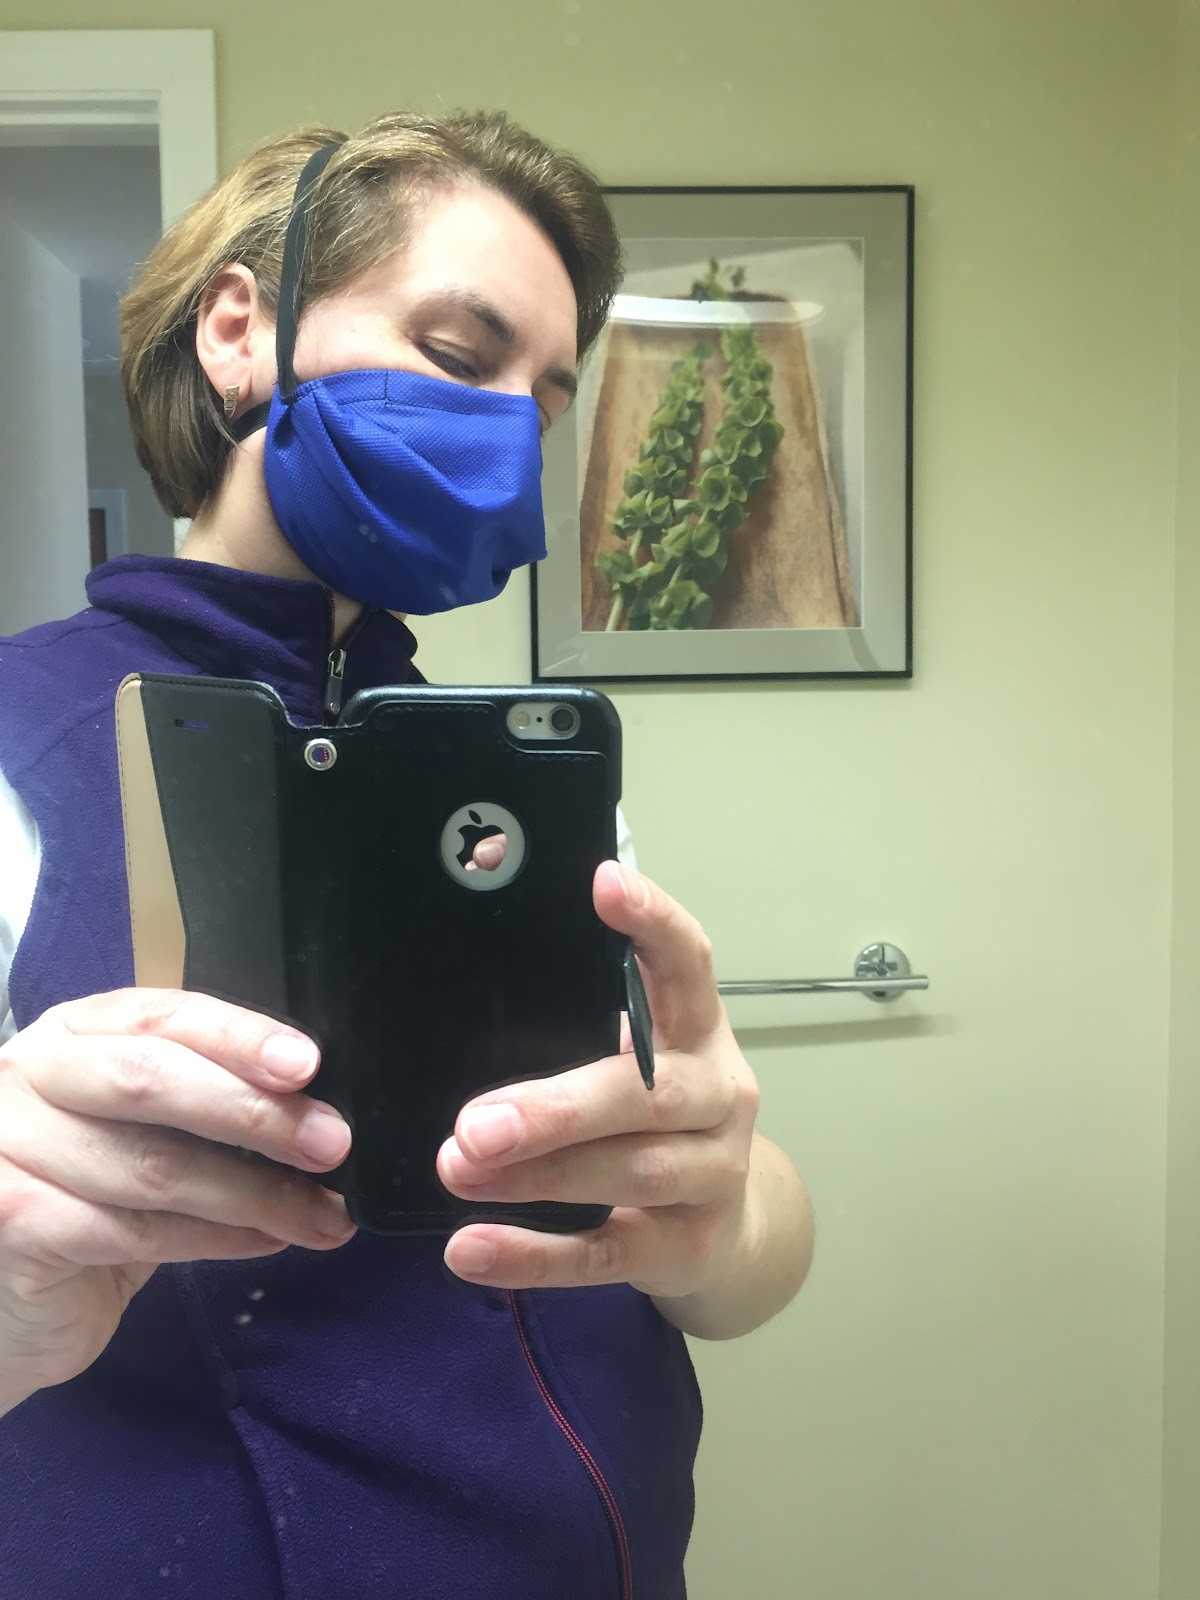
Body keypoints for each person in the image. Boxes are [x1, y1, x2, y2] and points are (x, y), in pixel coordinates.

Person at [0, 110, 813, 1599]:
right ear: (238, 330)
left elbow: (740, 1244)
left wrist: (724, 1209)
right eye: (455, 352)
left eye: (544, 401)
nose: (506, 433)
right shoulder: (14, 743)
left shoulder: (510, 781)